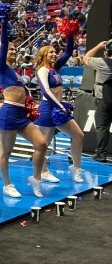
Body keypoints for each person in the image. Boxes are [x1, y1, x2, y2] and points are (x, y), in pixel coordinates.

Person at [0, 7, 47, 198]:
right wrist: (3, 24)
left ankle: (36, 178)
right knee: (5, 153)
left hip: (21, 115)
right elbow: (4, 42)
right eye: (10, 49)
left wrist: (30, 100)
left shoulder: (15, 72)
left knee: (41, 144)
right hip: (8, 112)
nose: (13, 51)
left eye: (15, 50)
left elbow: (24, 91)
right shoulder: (1, 68)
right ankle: (7, 184)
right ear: (2, 52)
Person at [34, 35, 84, 182]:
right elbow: (46, 92)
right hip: (48, 108)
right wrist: (61, 106)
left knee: (79, 136)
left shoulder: (55, 68)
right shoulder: (42, 70)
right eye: (51, 52)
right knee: (44, 144)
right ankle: (43, 171)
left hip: (60, 109)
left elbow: (68, 52)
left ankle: (76, 168)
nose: (54, 54)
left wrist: (70, 34)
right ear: (43, 55)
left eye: (55, 52)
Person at [84, 39, 112, 162]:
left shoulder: (102, 62)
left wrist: (98, 46)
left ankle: (101, 153)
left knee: (102, 127)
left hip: (104, 99)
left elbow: (86, 58)